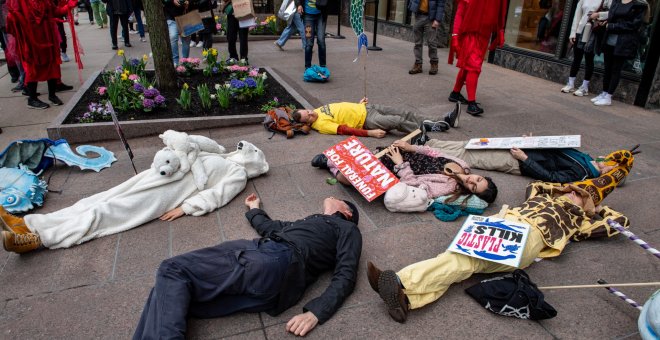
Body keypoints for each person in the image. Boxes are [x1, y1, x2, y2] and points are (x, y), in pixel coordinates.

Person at [367, 149, 634, 323]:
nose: (574, 193)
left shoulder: (581, 221)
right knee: (457, 259)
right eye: (575, 190)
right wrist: (565, 187)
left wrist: (595, 208)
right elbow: (536, 184)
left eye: (580, 194)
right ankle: (407, 297)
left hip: (530, 237)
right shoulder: (546, 194)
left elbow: (619, 223)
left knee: (465, 261)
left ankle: (402, 283)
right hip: (503, 221)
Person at [132, 193, 362, 338]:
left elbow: (346, 273)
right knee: (169, 296)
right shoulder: (310, 223)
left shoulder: (347, 228)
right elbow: (270, 226)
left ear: (346, 211)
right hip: (272, 289)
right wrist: (254, 209)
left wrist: (316, 312)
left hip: (270, 259)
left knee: (173, 270)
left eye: (337, 198)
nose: (331, 196)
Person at [0, 140, 270, 253]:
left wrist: (188, 207)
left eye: (244, 150)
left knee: (106, 212)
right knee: (97, 199)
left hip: (168, 194)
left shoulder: (238, 173)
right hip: (154, 178)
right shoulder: (219, 153)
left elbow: (218, 194)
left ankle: (37, 240)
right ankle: (29, 223)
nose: (239, 149)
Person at [423, 139, 626, 183]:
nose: (609, 160)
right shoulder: (588, 160)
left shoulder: (583, 173)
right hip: (526, 149)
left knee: (471, 156)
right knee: (472, 144)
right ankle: (431, 142)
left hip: (519, 160)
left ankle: (424, 151)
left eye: (613, 164)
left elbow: (551, 177)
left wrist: (525, 158)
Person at [6, 0, 78, 109]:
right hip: (32, 40)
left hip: (48, 37)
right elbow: (13, 19)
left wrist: (69, 5)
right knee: (33, 68)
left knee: (52, 66)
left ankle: (52, 95)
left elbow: (55, 11)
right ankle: (32, 99)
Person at [292, 98, 461, 139]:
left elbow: (341, 108)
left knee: (404, 113)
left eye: (308, 110)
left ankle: (441, 120)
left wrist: (358, 103)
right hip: (368, 120)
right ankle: (424, 131)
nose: (311, 112)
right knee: (397, 122)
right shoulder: (321, 125)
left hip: (366, 107)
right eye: (309, 115)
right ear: (307, 122)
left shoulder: (316, 111)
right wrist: (370, 133)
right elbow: (345, 130)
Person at [447, 0, 507, 115]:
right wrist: (455, 35)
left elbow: (499, 12)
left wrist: (500, 30)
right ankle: (471, 104)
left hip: (483, 35)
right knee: (474, 67)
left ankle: (455, 93)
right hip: (471, 35)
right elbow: (460, 13)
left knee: (467, 66)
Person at [592, 0, 649, 106]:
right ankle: (604, 93)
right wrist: (605, 22)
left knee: (615, 70)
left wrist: (612, 26)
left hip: (623, 42)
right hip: (609, 40)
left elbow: (633, 25)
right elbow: (611, 15)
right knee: (607, 68)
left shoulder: (639, 5)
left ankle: (608, 97)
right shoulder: (616, 1)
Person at [560, 0, 608, 97]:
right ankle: (570, 83)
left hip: (593, 31)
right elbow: (577, 16)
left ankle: (584, 87)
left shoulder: (605, 0)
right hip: (580, 30)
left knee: (589, 59)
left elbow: (611, 13)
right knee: (576, 58)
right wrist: (573, 33)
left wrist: (598, 14)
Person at [407, 0, 446, 75]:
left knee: (431, 42)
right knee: (417, 42)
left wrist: (437, 20)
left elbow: (441, 4)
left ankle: (434, 63)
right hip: (418, 15)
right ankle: (418, 64)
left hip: (430, 18)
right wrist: (412, 7)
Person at [295, 0, 327, 69]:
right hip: (307, 16)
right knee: (309, 43)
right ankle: (307, 67)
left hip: (321, 15)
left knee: (321, 41)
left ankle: (323, 67)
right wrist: (299, 5)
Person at [163, 0, 193, 65]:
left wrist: (189, 2)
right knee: (173, 37)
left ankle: (185, 61)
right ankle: (175, 61)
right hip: (171, 16)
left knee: (186, 39)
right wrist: (172, 1)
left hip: (185, 16)